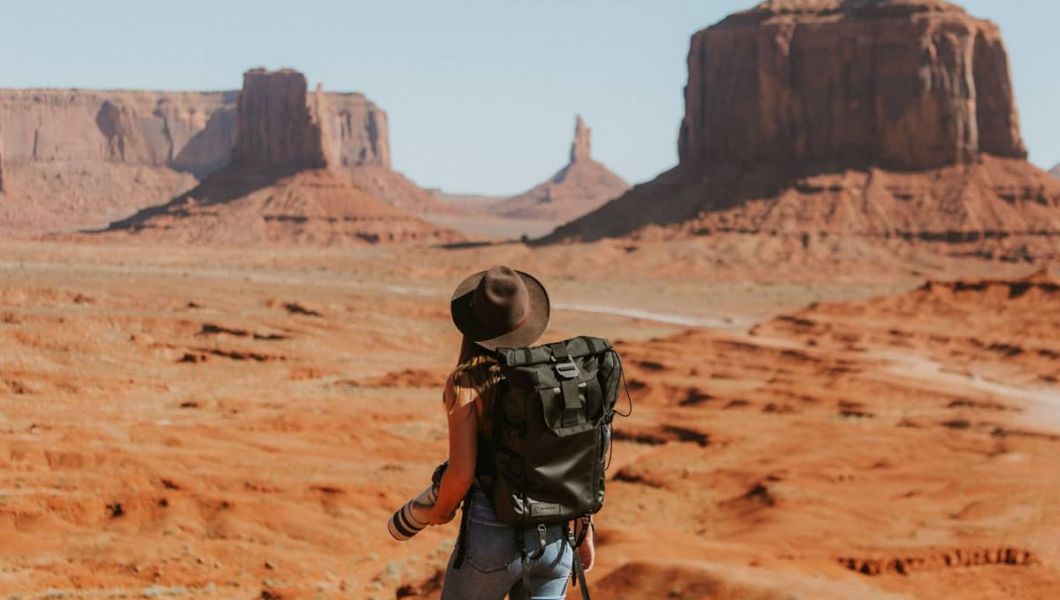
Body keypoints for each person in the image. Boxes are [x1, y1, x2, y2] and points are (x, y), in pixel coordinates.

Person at [427, 265, 595, 600]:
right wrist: (584, 530)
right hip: (556, 542)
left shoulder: (466, 384)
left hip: (491, 540)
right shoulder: (553, 379)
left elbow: (461, 473)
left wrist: (439, 510)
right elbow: (574, 458)